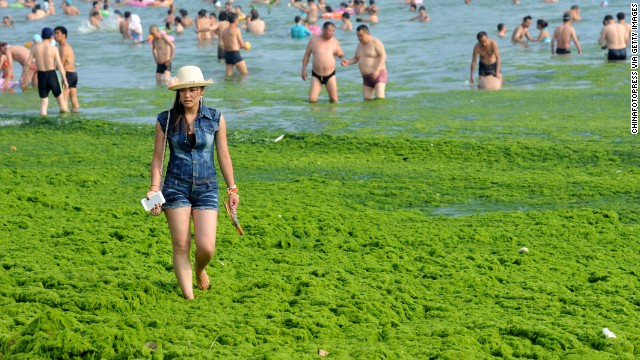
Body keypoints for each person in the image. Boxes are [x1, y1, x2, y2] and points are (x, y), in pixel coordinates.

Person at [147, 65, 239, 300]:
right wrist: (154, 189)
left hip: (207, 187)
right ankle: (189, 298)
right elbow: (158, 159)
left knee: (206, 247)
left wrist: (232, 188)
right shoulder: (164, 120)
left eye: (193, 89)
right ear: (177, 92)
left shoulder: (216, 118)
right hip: (175, 187)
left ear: (201, 91)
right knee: (181, 244)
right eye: (183, 90)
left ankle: (199, 269)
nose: (188, 95)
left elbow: (224, 155)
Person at [25, 27, 69, 115]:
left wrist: (25, 77)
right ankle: (65, 122)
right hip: (52, 75)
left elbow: (27, 64)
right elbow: (60, 66)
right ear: (51, 37)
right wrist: (65, 79)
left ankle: (42, 124)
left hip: (41, 76)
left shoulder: (34, 48)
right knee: (61, 102)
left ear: (42, 36)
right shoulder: (54, 49)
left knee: (43, 104)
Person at [301, 21, 344, 103]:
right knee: (312, 100)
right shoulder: (314, 40)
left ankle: (331, 115)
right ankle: (316, 115)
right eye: (330, 30)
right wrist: (303, 69)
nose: (332, 33)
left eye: (333, 31)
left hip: (330, 74)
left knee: (334, 100)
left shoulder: (334, 41)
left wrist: (339, 54)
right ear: (323, 30)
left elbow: (342, 54)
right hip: (316, 74)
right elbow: (307, 55)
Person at [340, 25, 386, 100]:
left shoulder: (376, 42)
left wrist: (377, 70)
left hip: (378, 74)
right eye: (358, 36)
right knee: (367, 101)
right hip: (366, 77)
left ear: (367, 34)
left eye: (361, 36)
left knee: (380, 98)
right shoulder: (359, 45)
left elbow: (383, 56)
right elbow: (356, 58)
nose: (359, 38)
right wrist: (348, 62)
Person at [54, 26, 80, 112]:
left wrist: (47, 69)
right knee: (73, 99)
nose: (55, 35)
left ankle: (64, 118)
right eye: (54, 33)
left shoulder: (64, 47)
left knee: (63, 99)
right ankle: (76, 115)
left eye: (58, 33)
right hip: (73, 75)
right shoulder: (60, 46)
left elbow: (60, 63)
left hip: (68, 74)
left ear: (64, 35)